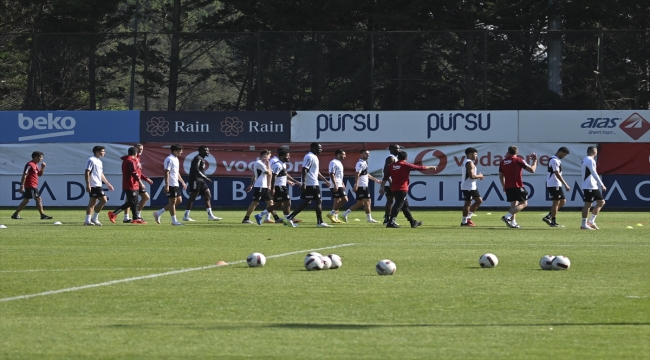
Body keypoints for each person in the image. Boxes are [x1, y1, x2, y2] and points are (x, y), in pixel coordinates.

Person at [382, 150, 436, 228]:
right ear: (406, 158)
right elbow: (419, 167)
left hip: (394, 188)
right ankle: (391, 221)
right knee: (398, 204)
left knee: (405, 206)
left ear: (397, 157)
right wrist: (431, 167)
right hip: (402, 188)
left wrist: (382, 187)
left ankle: (412, 222)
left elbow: (385, 177)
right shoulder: (405, 165)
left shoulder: (391, 166)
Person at [283, 142, 332, 227]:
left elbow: (316, 172)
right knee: (318, 201)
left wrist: (324, 180)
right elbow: (304, 169)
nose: (321, 150)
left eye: (321, 148)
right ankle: (320, 222)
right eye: (319, 148)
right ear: (313, 148)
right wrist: (304, 183)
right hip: (311, 183)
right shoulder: (310, 156)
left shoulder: (314, 157)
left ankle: (289, 218)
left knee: (307, 202)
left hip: (312, 182)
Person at [254, 149, 302, 225]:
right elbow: (273, 176)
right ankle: (287, 220)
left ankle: (260, 215)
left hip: (281, 186)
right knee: (287, 202)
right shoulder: (277, 165)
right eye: (287, 156)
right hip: (279, 186)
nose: (289, 158)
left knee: (278, 204)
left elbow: (285, 175)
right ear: (282, 156)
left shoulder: (283, 164)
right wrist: (272, 188)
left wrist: (295, 181)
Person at [498, 146, 538, 228]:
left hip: (508, 186)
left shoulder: (503, 162)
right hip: (517, 185)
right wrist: (535, 161)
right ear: (517, 153)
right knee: (524, 203)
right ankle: (507, 217)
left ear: (508, 152)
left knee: (514, 203)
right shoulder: (518, 160)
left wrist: (503, 185)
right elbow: (532, 170)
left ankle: (513, 222)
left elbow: (501, 176)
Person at [341, 149, 381, 223]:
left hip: (362, 185)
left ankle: (344, 214)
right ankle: (369, 219)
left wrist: (376, 180)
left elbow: (366, 174)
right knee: (368, 201)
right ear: (361, 154)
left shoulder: (364, 163)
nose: (368, 155)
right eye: (366, 153)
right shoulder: (360, 163)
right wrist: (356, 184)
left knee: (360, 203)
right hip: (362, 186)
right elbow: (357, 173)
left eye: (368, 153)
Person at [108, 147, 146, 224]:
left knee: (134, 202)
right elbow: (134, 173)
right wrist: (141, 182)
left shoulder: (126, 161)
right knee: (132, 202)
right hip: (131, 184)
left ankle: (135, 218)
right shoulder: (131, 161)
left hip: (130, 184)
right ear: (135, 153)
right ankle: (114, 213)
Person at [183, 146, 221, 222]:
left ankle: (210, 215)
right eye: (206, 150)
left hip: (200, 180)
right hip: (195, 180)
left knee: (208, 195)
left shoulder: (202, 159)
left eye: (208, 150)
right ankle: (186, 216)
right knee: (193, 197)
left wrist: (203, 178)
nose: (208, 152)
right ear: (200, 151)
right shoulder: (197, 158)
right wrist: (205, 177)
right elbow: (195, 169)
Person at [11, 151, 53, 220]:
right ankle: (42, 215)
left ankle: (15, 214)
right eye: (41, 157)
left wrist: (42, 168)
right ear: (36, 157)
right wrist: (22, 186)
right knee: (38, 199)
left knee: (26, 200)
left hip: (33, 185)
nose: (42, 159)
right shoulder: (30, 164)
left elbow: (39, 175)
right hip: (31, 185)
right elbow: (24, 175)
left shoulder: (35, 165)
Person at [152, 144, 187, 226]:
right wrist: (167, 185)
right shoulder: (169, 159)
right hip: (171, 184)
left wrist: (182, 182)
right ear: (175, 151)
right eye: (180, 151)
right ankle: (174, 221)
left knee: (179, 201)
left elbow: (176, 172)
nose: (181, 152)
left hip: (176, 183)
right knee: (172, 202)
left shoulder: (176, 159)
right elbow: (166, 171)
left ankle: (158, 213)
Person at [123, 143, 154, 223]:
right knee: (129, 199)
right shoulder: (131, 159)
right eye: (139, 149)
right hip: (132, 182)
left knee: (145, 197)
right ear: (135, 149)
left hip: (137, 182)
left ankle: (137, 215)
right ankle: (126, 217)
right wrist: (141, 182)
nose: (140, 151)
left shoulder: (137, 159)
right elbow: (134, 173)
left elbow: (138, 173)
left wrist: (146, 179)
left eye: (142, 149)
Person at [84, 146, 114, 226]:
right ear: (97, 152)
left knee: (92, 202)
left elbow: (100, 174)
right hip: (94, 184)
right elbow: (87, 172)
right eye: (102, 151)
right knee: (104, 200)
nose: (104, 153)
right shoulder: (91, 160)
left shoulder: (99, 162)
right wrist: (88, 184)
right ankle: (94, 218)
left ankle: (87, 221)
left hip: (98, 184)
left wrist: (108, 183)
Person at [543, 146, 571, 227]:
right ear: (560, 152)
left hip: (556, 184)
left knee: (563, 201)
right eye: (564, 155)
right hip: (553, 184)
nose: (564, 156)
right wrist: (565, 184)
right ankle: (553, 221)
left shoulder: (556, 160)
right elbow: (556, 173)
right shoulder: (554, 160)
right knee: (556, 203)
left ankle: (548, 216)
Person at [243, 149, 272, 224]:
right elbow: (268, 173)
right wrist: (268, 164)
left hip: (263, 186)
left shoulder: (262, 163)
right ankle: (246, 219)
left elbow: (254, 175)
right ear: (265, 155)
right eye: (269, 156)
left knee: (270, 203)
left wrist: (251, 185)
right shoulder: (259, 163)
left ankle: (267, 218)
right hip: (260, 186)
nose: (269, 158)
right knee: (255, 203)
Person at [580, 146, 606, 230]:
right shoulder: (590, 160)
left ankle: (591, 221)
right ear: (595, 152)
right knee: (588, 204)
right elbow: (594, 172)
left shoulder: (585, 159)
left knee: (601, 202)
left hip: (592, 186)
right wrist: (601, 184)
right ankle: (584, 224)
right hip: (589, 186)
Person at [460, 147, 484, 227]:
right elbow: (472, 176)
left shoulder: (467, 162)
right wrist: (479, 176)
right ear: (470, 154)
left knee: (479, 201)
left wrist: (478, 176)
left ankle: (468, 217)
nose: (476, 156)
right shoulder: (469, 163)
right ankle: (464, 222)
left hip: (472, 186)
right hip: (468, 186)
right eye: (475, 154)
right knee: (468, 203)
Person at [380, 144, 401, 225]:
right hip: (390, 183)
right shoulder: (391, 158)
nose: (399, 150)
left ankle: (388, 219)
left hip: (393, 182)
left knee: (392, 200)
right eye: (397, 148)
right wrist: (390, 182)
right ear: (392, 149)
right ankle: (388, 219)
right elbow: (386, 171)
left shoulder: (394, 158)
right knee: (391, 201)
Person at [326, 149, 347, 224]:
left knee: (337, 201)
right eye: (343, 154)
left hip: (339, 183)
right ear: (338, 154)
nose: (345, 156)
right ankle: (331, 214)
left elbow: (339, 175)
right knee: (345, 199)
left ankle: (335, 218)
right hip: (336, 184)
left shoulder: (339, 163)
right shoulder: (333, 162)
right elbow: (332, 173)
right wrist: (335, 184)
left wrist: (342, 183)